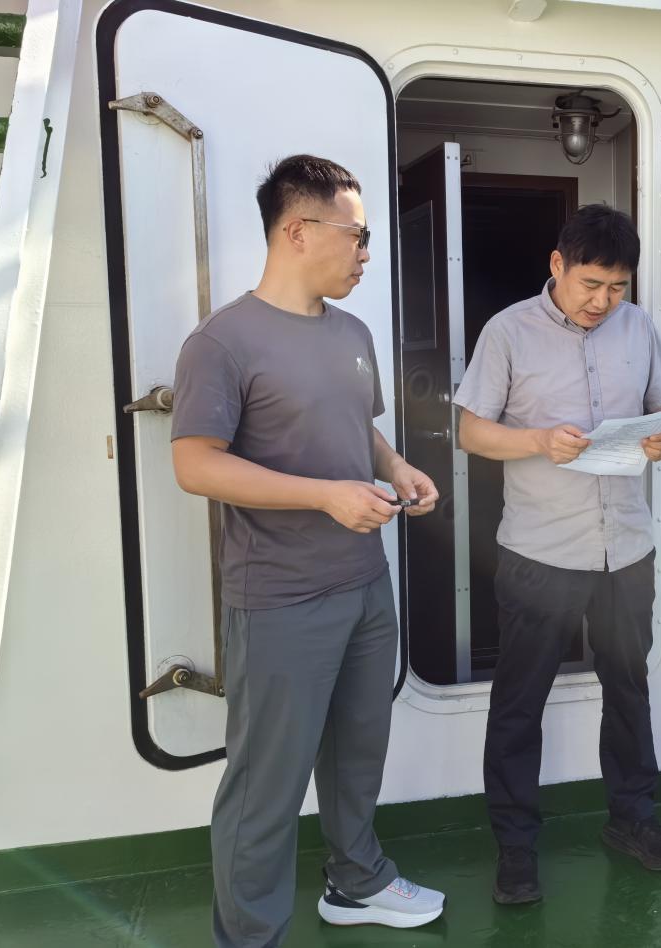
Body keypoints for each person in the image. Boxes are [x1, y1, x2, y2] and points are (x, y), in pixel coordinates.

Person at [171, 154, 444, 947]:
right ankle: (249, 936)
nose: (366, 254)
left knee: (358, 753)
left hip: (364, 584)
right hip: (279, 598)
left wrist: (396, 467)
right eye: (356, 236)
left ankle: (357, 885)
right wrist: (326, 495)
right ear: (297, 230)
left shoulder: (352, 332)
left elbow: (358, 426)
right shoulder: (221, 342)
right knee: (266, 785)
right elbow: (196, 465)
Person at [454, 204, 661, 905]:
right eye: (590, 284)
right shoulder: (508, 331)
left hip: (626, 548)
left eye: (616, 287)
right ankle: (516, 848)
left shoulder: (638, 327)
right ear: (556, 264)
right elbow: (470, 432)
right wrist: (536, 441)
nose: (602, 301)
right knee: (519, 703)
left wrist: (660, 441)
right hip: (541, 552)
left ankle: (633, 819)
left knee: (629, 689)